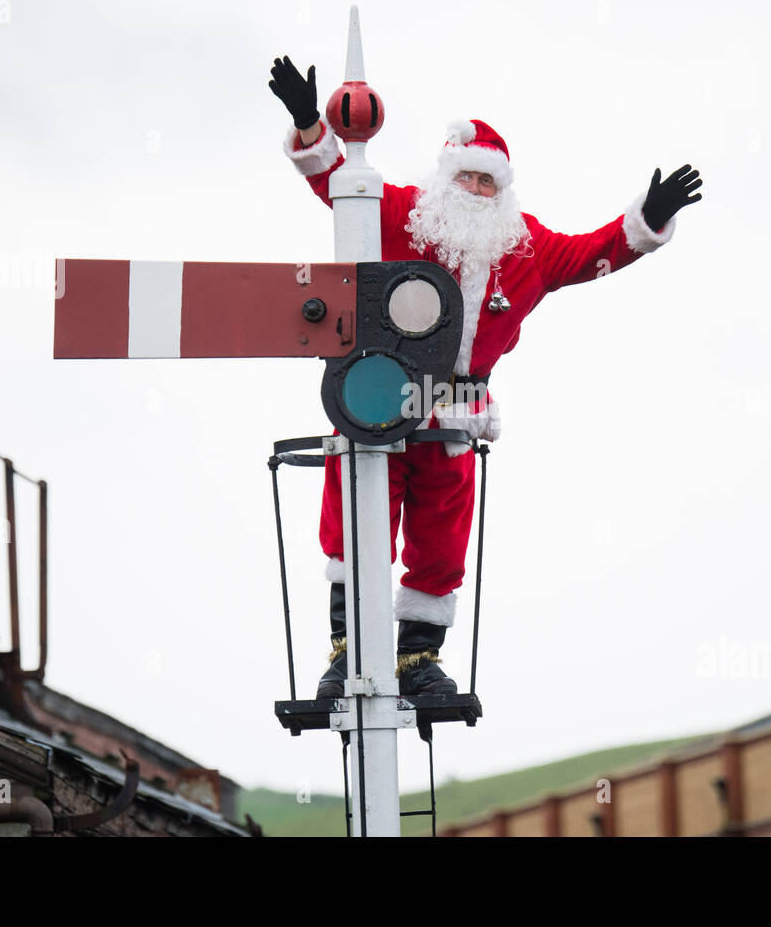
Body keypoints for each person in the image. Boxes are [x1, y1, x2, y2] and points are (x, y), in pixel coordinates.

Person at [268, 55, 703, 698]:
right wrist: (309, 122)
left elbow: (595, 254)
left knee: (441, 539)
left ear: (502, 191)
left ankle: (419, 663)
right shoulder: (402, 214)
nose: (475, 192)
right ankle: (347, 651)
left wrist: (648, 218)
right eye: (466, 178)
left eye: (486, 183)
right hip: (380, 400)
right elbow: (337, 184)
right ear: (446, 179)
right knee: (358, 521)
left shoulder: (525, 245)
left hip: (456, 416)